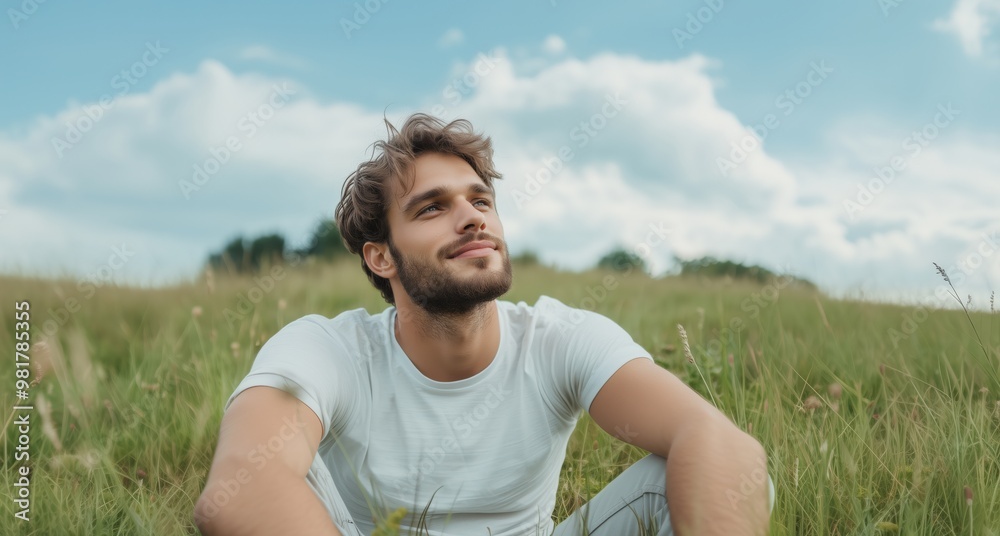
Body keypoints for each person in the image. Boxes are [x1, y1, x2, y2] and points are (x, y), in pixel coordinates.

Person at [194, 114, 773, 536]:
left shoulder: (559, 339)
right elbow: (236, 493)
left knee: (707, 469)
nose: (472, 217)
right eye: (432, 207)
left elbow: (714, 438)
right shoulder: (327, 348)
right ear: (381, 257)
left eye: (481, 200)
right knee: (286, 473)